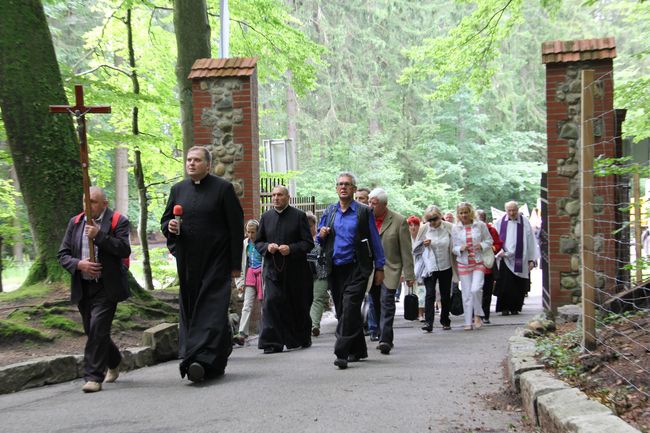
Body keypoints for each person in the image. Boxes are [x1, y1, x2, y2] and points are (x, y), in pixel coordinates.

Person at [161, 146, 244, 382]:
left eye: (197, 160)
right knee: (192, 307)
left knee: (210, 309)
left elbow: (236, 228)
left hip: (216, 260)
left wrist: (235, 264)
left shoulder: (223, 189)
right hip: (188, 263)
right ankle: (210, 360)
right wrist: (170, 227)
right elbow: (166, 220)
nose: (191, 164)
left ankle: (198, 360)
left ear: (208, 164)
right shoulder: (178, 190)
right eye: (188, 160)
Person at [58, 186, 131, 393]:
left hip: (107, 287)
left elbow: (124, 249)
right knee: (92, 330)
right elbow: (62, 254)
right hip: (83, 285)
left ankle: (93, 377)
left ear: (104, 204)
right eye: (85, 201)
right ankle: (115, 360)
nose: (87, 206)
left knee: (98, 327)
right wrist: (79, 264)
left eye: (92, 202)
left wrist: (99, 236)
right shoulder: (75, 222)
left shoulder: (118, 221)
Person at [318, 172, 385, 369]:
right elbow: (319, 239)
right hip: (335, 268)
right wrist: (321, 234)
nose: (343, 187)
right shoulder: (330, 211)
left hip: (358, 267)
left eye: (347, 184)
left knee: (349, 308)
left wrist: (380, 266)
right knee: (344, 311)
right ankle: (358, 349)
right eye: (340, 184)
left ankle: (342, 352)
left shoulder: (363, 212)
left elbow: (374, 240)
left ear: (354, 189)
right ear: (336, 188)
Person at [255, 185, 314, 353]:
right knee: (271, 302)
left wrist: (291, 249)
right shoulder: (265, 217)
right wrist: (268, 247)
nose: (275, 198)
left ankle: (300, 338)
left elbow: (308, 243)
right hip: (272, 270)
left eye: (279, 195)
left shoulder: (299, 216)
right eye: (273, 195)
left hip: (295, 270)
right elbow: (258, 242)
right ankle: (271, 343)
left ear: (287, 197)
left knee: (296, 304)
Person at [368, 188, 414, 354]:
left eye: (374, 203)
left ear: (384, 205)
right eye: (369, 203)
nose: (370, 206)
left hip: (391, 268)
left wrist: (409, 275)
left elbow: (406, 250)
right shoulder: (365, 218)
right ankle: (383, 333)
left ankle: (385, 340)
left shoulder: (398, 221)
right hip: (371, 270)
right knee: (376, 303)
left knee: (387, 302)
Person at [412, 205, 456, 332]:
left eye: (434, 219)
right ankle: (429, 322)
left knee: (445, 295)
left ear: (440, 216)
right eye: (429, 220)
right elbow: (415, 249)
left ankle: (445, 320)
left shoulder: (449, 227)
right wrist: (423, 244)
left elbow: (455, 244)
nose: (432, 222)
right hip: (429, 266)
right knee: (429, 294)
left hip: (445, 265)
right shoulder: (424, 228)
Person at [451, 202, 493, 331]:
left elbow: (489, 240)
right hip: (463, 263)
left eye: (466, 212)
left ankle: (478, 315)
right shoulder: (455, 228)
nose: (464, 215)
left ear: (471, 212)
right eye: (461, 213)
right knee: (467, 293)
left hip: (478, 262)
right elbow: (453, 248)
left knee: (476, 289)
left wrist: (482, 245)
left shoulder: (480, 225)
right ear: (458, 214)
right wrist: (460, 248)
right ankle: (468, 321)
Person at [495, 201, 538, 316]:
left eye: (514, 210)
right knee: (504, 284)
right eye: (509, 210)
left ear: (518, 209)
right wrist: (500, 251)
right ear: (506, 210)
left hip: (520, 258)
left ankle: (515, 307)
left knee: (517, 284)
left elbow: (531, 241)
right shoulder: (500, 222)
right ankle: (504, 308)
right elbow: (495, 239)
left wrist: (531, 259)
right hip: (505, 258)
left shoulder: (525, 222)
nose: (512, 212)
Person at [233, 219, 263, 346]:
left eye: (253, 232)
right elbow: (240, 264)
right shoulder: (245, 244)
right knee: (247, 304)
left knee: (264, 304)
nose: (250, 235)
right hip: (250, 274)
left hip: (262, 275)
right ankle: (242, 333)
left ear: (258, 231)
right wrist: (240, 283)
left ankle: (265, 332)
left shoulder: (262, 243)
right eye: (248, 232)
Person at [476, 209, 503, 324]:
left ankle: (485, 315)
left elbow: (498, 244)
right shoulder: (471, 230)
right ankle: (476, 314)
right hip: (475, 265)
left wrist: (491, 249)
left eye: (481, 219)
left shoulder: (491, 230)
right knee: (476, 291)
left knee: (487, 292)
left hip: (488, 265)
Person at [307, 212, 329, 337]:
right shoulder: (301, 240)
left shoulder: (322, 238)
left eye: (311, 225)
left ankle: (314, 325)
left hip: (321, 273)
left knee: (318, 298)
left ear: (315, 225)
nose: (309, 228)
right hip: (306, 274)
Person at [407, 215, 426, 321]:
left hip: (421, 268)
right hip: (410, 268)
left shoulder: (424, 238)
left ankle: (421, 313)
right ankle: (412, 312)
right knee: (411, 292)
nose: (413, 227)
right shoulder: (406, 239)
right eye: (410, 225)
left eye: (415, 225)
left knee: (421, 290)